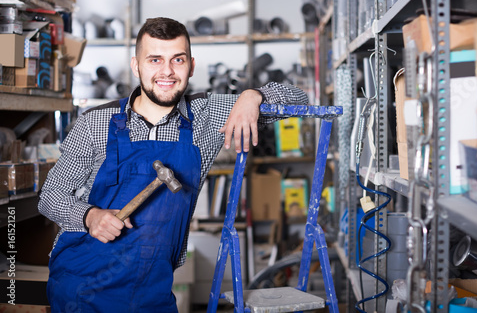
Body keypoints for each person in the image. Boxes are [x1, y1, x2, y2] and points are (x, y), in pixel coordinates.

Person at [39, 17, 308, 312]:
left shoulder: (206, 116)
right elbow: (50, 197)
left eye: (177, 60)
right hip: (82, 284)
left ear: (191, 66)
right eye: (154, 59)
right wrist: (90, 216)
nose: (166, 71)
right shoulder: (96, 122)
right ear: (136, 65)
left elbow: (301, 99)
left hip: (151, 290)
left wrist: (252, 96)